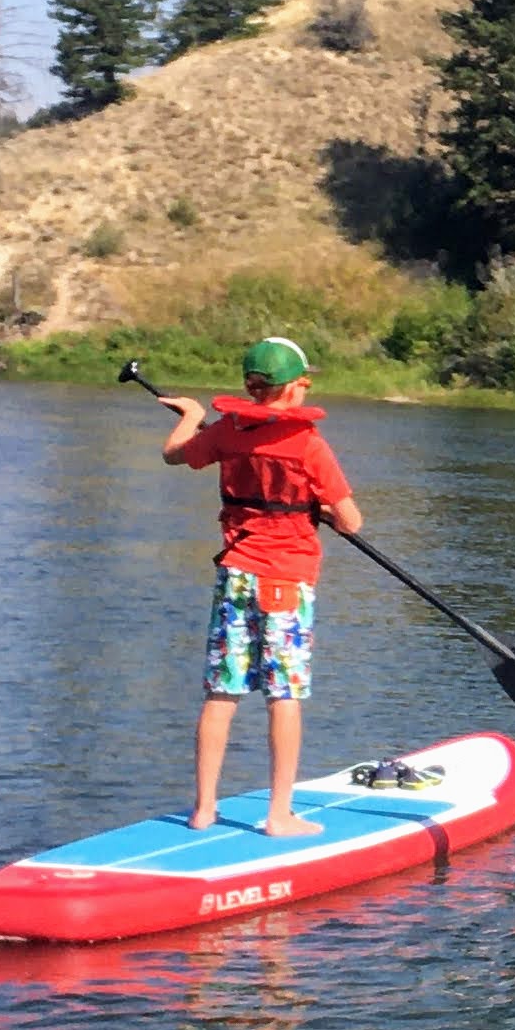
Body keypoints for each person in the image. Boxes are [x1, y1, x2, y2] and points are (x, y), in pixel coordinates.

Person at [154, 336, 367, 839]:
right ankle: (279, 815)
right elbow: (353, 521)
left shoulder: (227, 430)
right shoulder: (310, 445)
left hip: (235, 577)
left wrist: (189, 414)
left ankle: (203, 810)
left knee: (222, 692)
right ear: (295, 389)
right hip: (286, 583)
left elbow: (174, 455)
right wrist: (324, 511)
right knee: (284, 695)